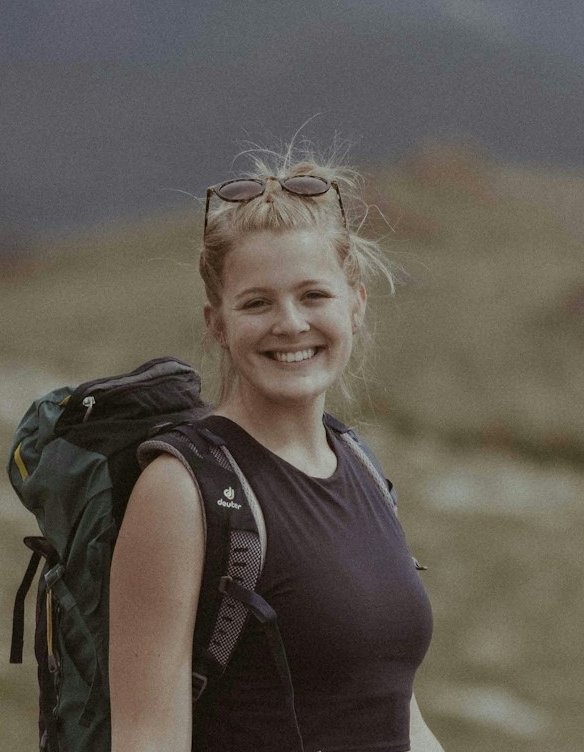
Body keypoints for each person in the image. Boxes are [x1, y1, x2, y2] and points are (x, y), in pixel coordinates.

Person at [109, 151, 443, 752]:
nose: (290, 324)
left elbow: (398, 717)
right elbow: (146, 740)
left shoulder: (359, 465)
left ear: (355, 304)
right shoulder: (183, 489)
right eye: (257, 303)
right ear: (217, 324)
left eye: (314, 295)